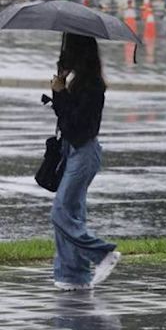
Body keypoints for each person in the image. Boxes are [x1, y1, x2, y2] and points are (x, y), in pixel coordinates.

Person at [50, 33, 121, 291]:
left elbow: (79, 127)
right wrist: (59, 89)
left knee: (60, 211)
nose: (64, 54)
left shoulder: (91, 85)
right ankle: (73, 276)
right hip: (72, 151)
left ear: (79, 53)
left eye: (69, 49)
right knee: (73, 213)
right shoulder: (78, 81)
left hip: (84, 152)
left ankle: (102, 253)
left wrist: (60, 94)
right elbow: (66, 119)